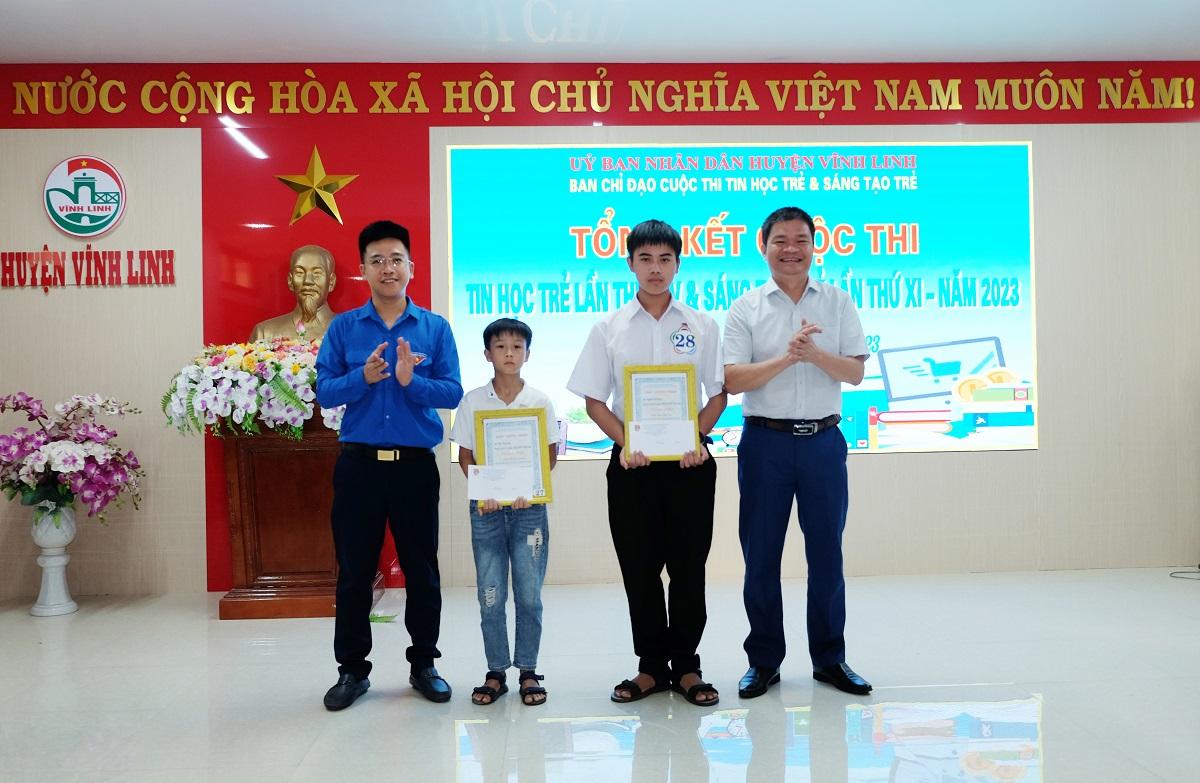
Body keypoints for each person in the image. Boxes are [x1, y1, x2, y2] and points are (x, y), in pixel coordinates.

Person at [567, 218, 727, 706]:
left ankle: (688, 667)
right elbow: (595, 400)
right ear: (630, 263)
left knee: (689, 568)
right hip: (632, 468)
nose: (655, 269)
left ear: (678, 264)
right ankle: (651, 667)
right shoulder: (608, 328)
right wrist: (625, 443)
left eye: (665, 259)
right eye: (645, 259)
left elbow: (718, 394)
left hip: (689, 466)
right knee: (639, 570)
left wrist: (696, 437)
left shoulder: (702, 325)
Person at [723, 206, 872, 698]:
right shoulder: (745, 308)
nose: (791, 249)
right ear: (763, 246)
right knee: (760, 556)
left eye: (801, 240)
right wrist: (787, 357)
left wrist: (815, 355)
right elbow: (732, 379)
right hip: (765, 443)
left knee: (827, 555)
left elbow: (855, 372)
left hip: (823, 444)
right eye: (780, 240)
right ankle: (763, 660)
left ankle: (830, 659)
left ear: (814, 245)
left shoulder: (838, 301)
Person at [315, 219, 463, 710]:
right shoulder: (343, 328)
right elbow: (324, 391)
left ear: (411, 267)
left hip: (414, 467)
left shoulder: (435, 328)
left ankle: (424, 664)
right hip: (358, 466)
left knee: (422, 568)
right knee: (355, 570)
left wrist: (408, 381)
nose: (387, 268)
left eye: (396, 259)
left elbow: (452, 391)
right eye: (377, 260)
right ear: (363, 270)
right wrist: (363, 376)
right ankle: (352, 671)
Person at [451, 317, 559, 707]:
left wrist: (530, 489)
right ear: (487, 354)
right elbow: (465, 455)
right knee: (491, 594)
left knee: (529, 595)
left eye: (517, 347)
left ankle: (528, 670)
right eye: (500, 347)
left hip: (529, 511)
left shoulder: (540, 402)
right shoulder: (473, 401)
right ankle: (495, 671)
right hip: (488, 511)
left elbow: (549, 454)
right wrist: (487, 490)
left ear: (528, 354)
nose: (509, 353)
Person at [249, 244, 338, 341]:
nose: (308, 281)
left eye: (317, 273)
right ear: (290, 281)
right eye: (300, 273)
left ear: (331, 282)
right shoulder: (264, 333)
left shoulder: (349, 330)